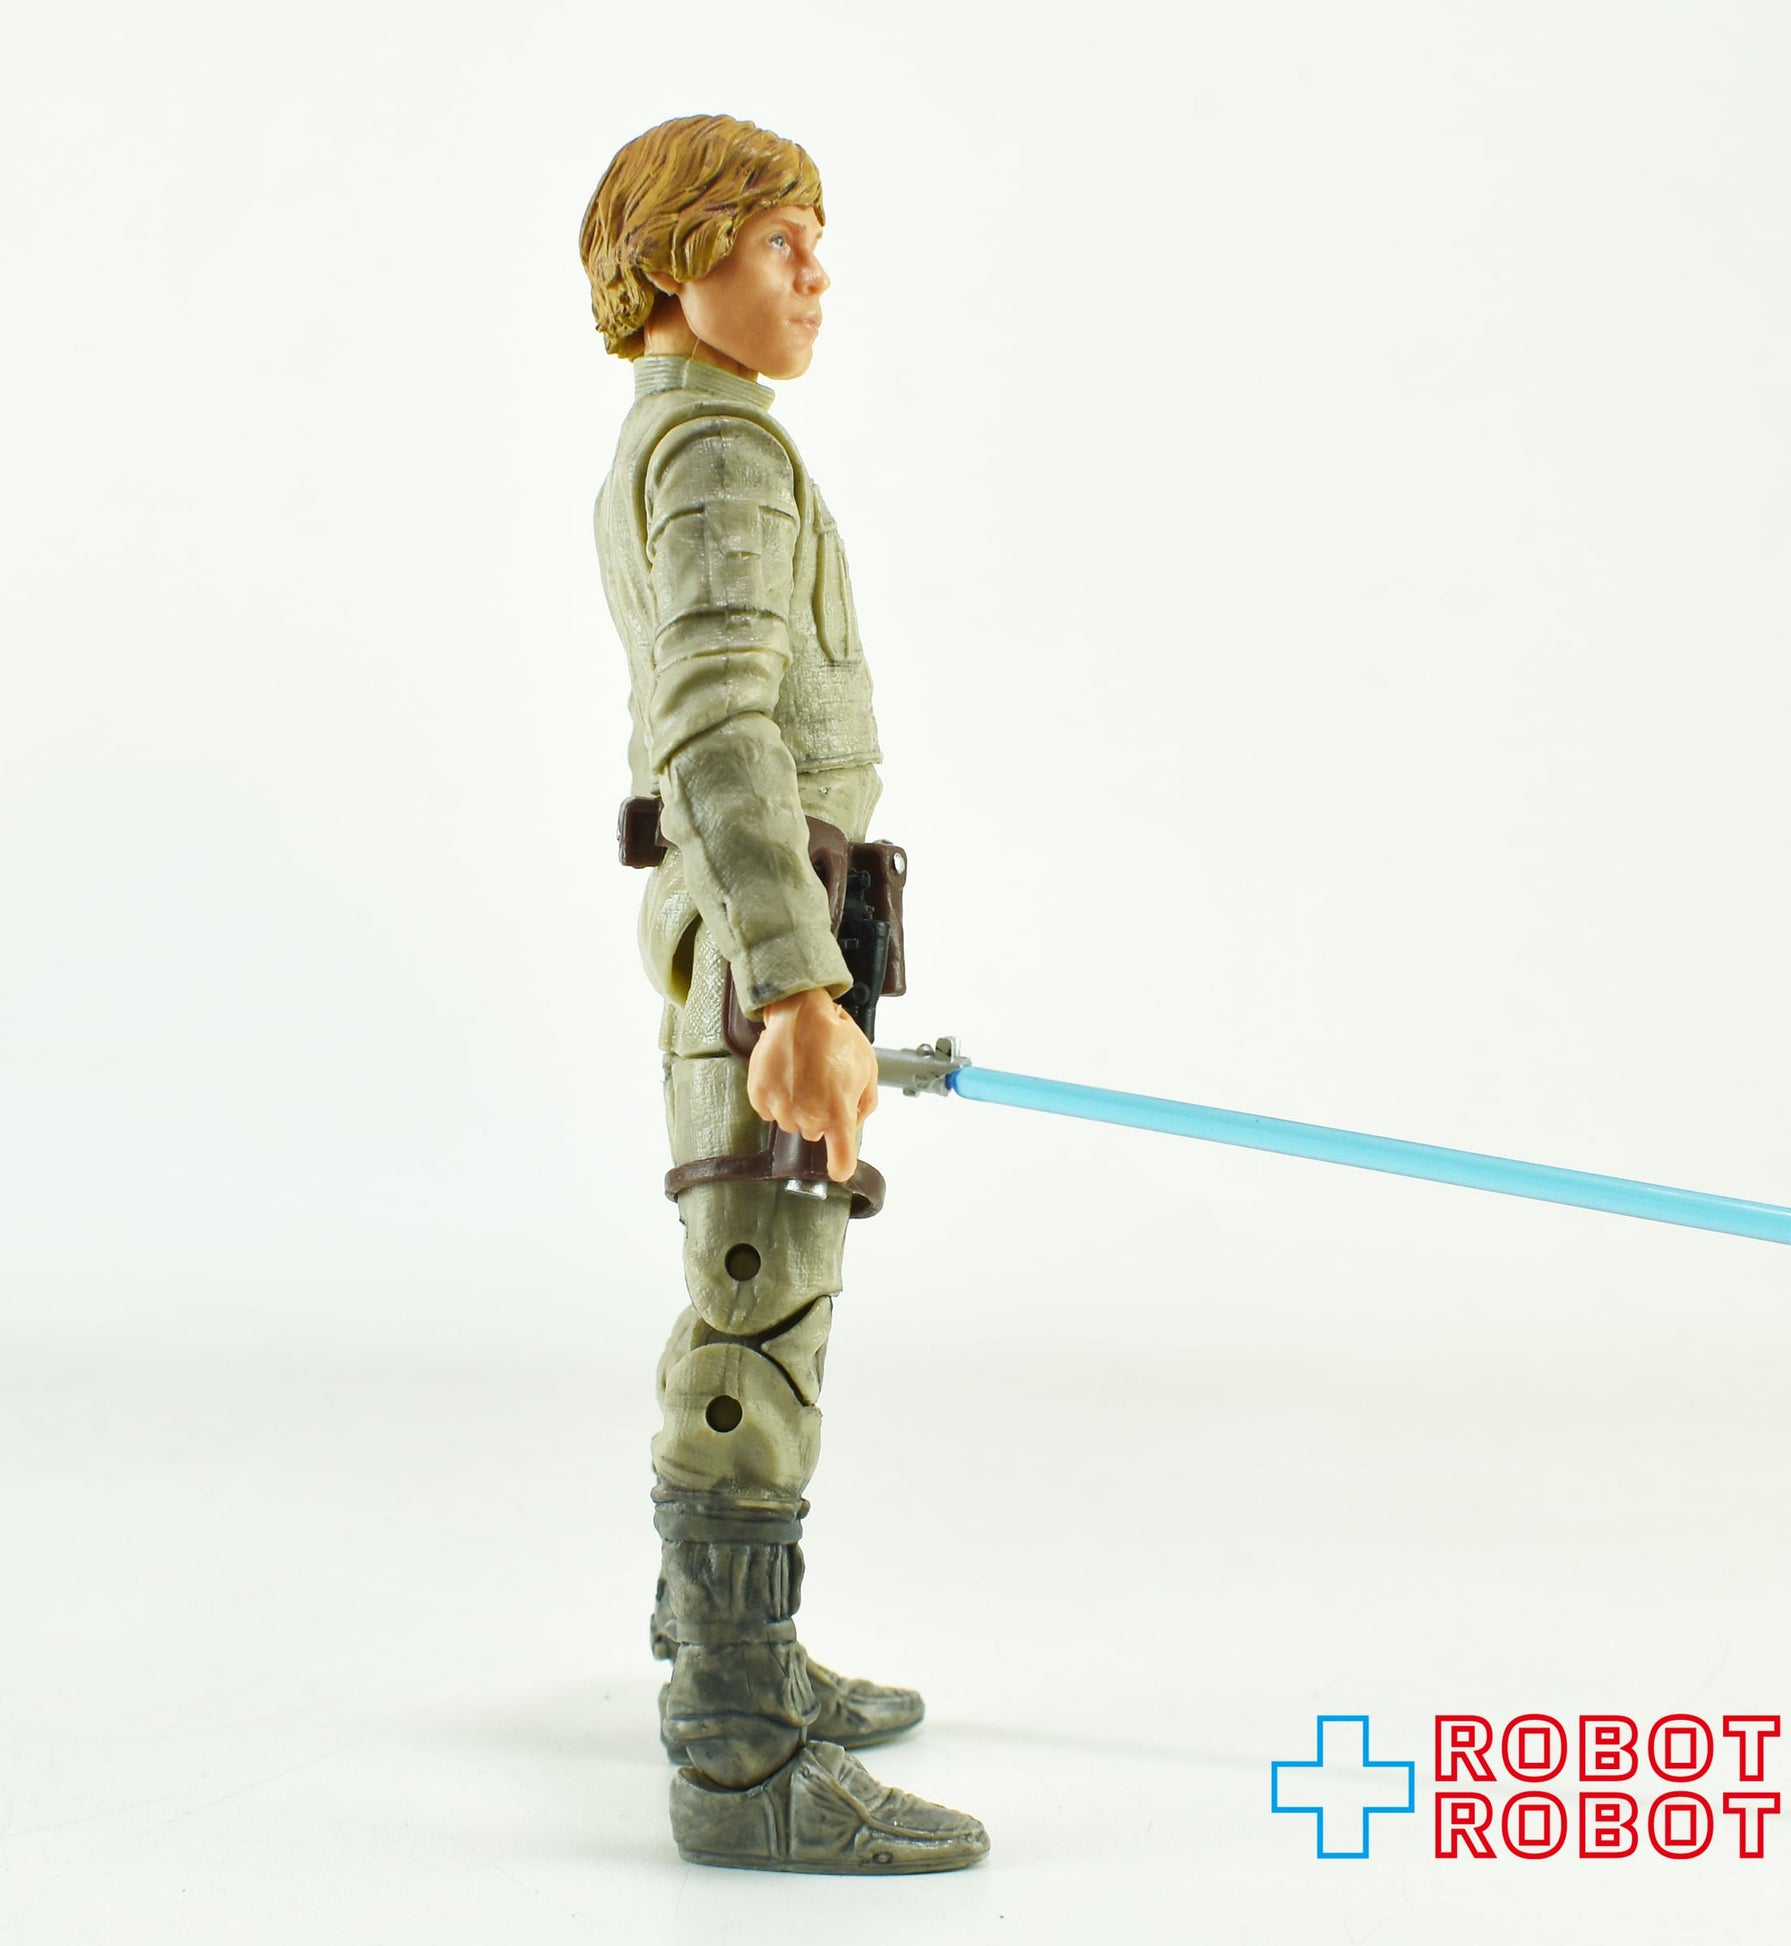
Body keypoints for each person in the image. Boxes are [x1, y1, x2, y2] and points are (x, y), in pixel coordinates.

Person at [580, 114, 988, 1875]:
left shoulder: (698, 436)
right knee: (755, 1313)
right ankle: (739, 1751)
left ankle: (740, 1654)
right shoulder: (718, 456)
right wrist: (799, 989)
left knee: (767, 1298)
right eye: (775, 243)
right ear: (679, 266)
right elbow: (718, 730)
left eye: (815, 239)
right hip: (766, 942)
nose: (815, 274)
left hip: (772, 931)